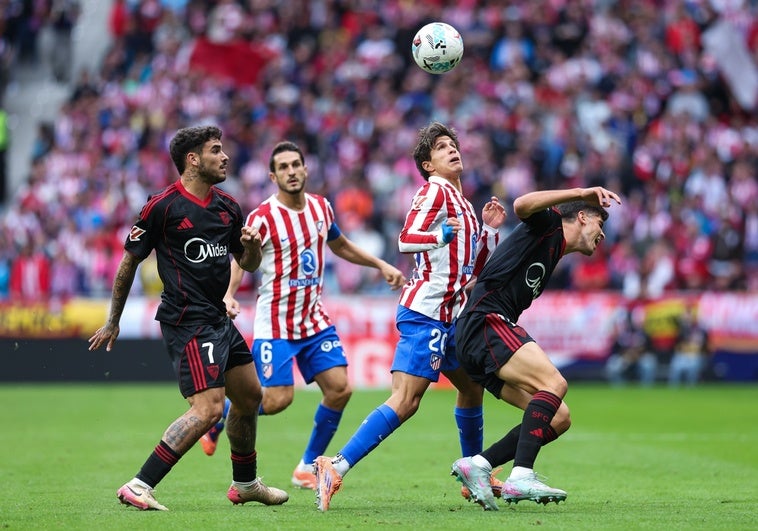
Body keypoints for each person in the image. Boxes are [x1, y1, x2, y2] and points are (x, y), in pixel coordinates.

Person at [88, 125, 289, 511]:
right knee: (208, 408)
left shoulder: (228, 207)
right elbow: (129, 262)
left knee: (249, 396)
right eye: (216, 150)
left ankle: (246, 484)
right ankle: (139, 484)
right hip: (187, 321)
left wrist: (251, 249)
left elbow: (247, 264)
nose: (225, 157)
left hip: (219, 319)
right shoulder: (162, 206)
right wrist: (113, 319)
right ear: (193, 160)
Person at [313, 121, 507, 511]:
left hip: (452, 315)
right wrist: (440, 236)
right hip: (426, 313)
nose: (452, 149)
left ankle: (474, 471)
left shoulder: (464, 204)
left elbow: (474, 268)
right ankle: (335, 466)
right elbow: (405, 239)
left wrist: (487, 231)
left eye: (453, 144)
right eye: (441, 147)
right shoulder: (433, 192)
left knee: (471, 387)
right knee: (406, 399)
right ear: (428, 165)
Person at [198, 140, 406, 491]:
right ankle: (220, 418)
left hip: (313, 320)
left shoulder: (321, 208)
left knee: (340, 390)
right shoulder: (263, 216)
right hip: (276, 322)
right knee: (277, 400)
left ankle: (306, 466)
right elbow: (242, 260)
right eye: (283, 167)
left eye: (296, 164)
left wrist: (380, 264)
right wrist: (229, 294)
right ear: (273, 176)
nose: (291, 171)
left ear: (305, 169)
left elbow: (340, 245)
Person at [450, 186, 621, 510]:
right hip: (485, 322)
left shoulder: (554, 250)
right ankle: (521, 476)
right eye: (600, 223)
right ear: (581, 217)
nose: (602, 234)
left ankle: (479, 465)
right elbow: (521, 204)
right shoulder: (550, 224)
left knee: (558, 418)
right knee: (554, 383)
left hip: (478, 338)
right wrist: (582, 192)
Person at [668, 306, 709, 387]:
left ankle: (690, 388)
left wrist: (691, 348)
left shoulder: (699, 329)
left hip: (696, 356)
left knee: (694, 363)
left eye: (688, 315)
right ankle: (673, 388)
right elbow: (678, 347)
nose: (687, 318)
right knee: (676, 364)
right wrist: (688, 347)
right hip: (682, 355)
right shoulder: (681, 330)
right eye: (685, 315)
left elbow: (703, 347)